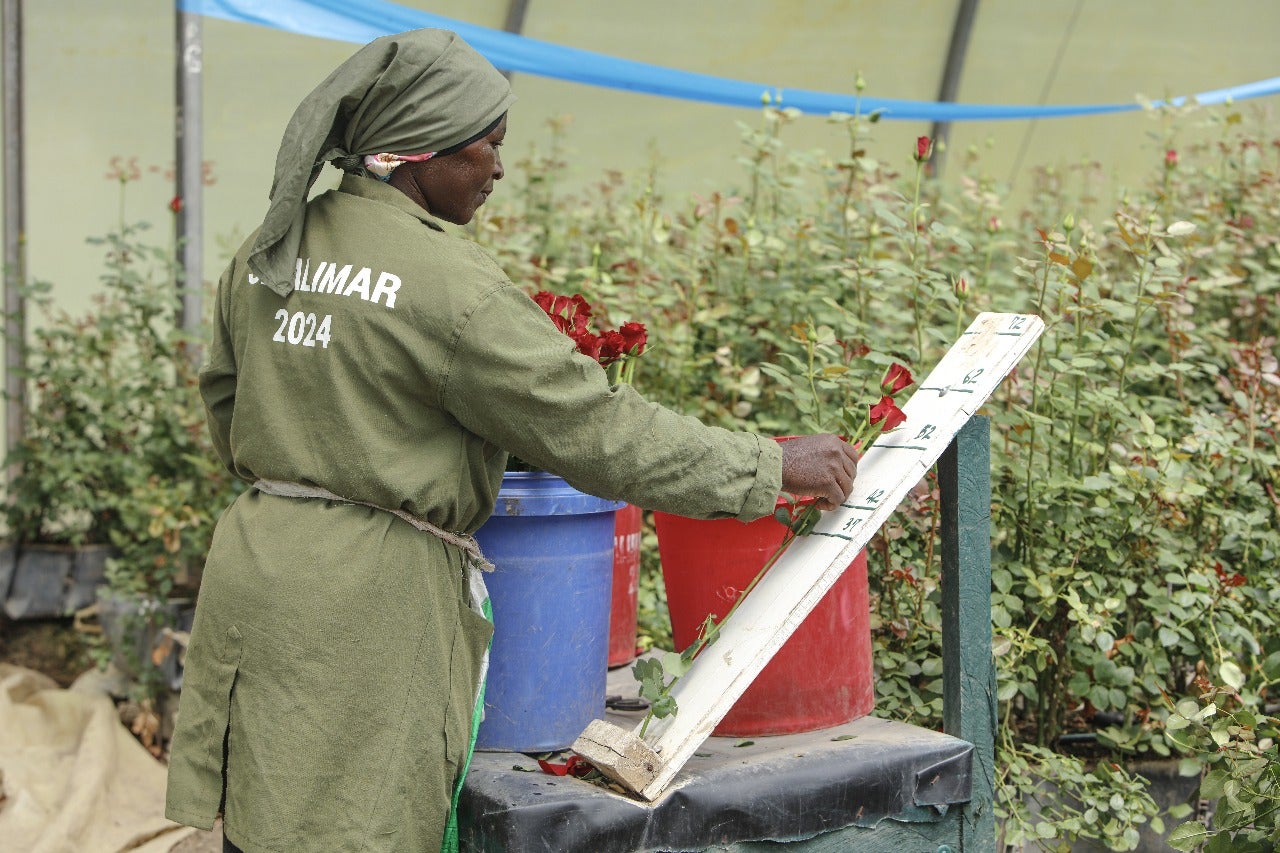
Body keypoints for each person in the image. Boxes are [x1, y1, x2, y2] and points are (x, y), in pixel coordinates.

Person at [164, 28, 858, 853]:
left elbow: (225, 400)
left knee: (264, 819)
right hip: (363, 612)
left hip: (258, 575)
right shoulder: (451, 287)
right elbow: (599, 430)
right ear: (420, 148)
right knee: (356, 825)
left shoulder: (267, 248)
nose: (498, 167)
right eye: (487, 144)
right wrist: (769, 464)